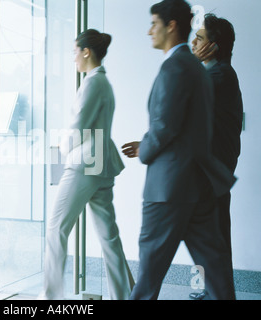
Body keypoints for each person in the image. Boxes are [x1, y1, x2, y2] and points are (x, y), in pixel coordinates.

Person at [121, 0, 236, 300]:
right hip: (196, 186)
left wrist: (145, 151)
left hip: (169, 189)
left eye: (154, 24)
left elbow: (165, 127)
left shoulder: (179, 67)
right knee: (216, 270)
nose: (149, 31)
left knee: (147, 279)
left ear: (170, 26)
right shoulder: (198, 69)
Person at [39, 29, 134, 300]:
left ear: (86, 51)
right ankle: (125, 296)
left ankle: (50, 297)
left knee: (56, 228)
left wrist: (61, 148)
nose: (73, 59)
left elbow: (79, 126)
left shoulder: (93, 83)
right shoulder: (103, 83)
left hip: (84, 165)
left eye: (74, 52)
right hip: (101, 166)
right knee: (109, 238)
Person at [188, 13, 243, 300]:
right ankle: (212, 291)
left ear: (214, 46)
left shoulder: (219, 75)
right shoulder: (217, 74)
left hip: (213, 176)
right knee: (211, 238)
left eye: (200, 38)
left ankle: (220, 294)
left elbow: (184, 97)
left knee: (216, 238)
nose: (193, 42)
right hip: (211, 174)